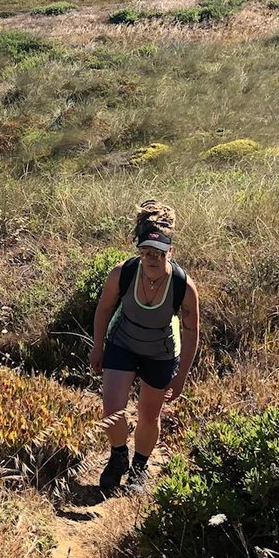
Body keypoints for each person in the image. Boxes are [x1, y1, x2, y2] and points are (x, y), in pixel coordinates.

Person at [89, 200, 201, 492]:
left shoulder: (183, 286)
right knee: (112, 410)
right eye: (146, 252)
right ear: (139, 251)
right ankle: (118, 458)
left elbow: (191, 333)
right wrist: (97, 347)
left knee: (149, 416)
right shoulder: (122, 273)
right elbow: (103, 310)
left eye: (158, 253)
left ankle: (140, 467)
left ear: (170, 252)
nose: (151, 258)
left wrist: (181, 376)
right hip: (122, 343)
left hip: (161, 353)